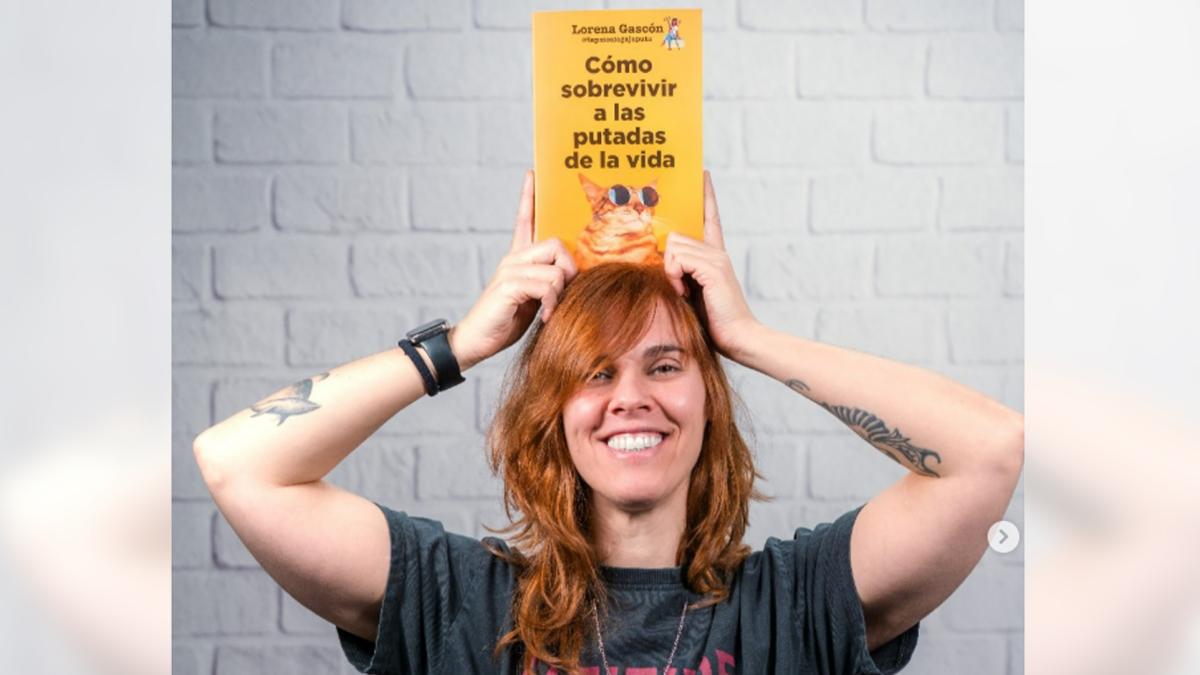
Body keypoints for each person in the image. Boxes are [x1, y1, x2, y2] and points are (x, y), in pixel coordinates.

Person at [192, 171, 1024, 674]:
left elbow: (989, 449)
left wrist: (747, 337)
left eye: (664, 365)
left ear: (707, 398)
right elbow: (237, 463)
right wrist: (464, 342)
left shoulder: (797, 600)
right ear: (553, 412)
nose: (630, 397)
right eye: (595, 372)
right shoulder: (464, 602)